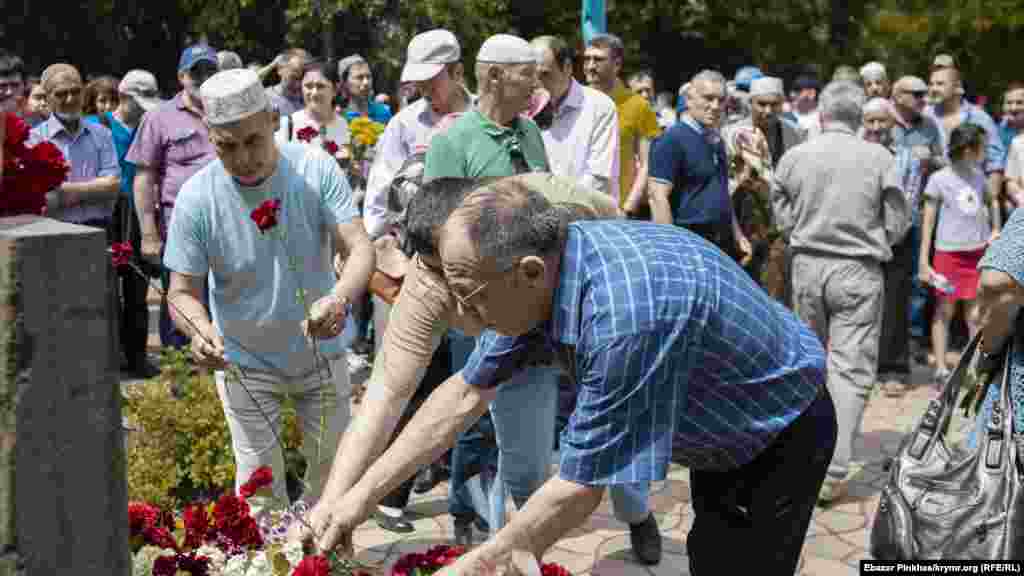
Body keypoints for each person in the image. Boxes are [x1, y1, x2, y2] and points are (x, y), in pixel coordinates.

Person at [303, 179, 835, 576]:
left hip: (777, 426)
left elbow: (582, 484)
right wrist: (356, 499)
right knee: (712, 553)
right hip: (713, 424)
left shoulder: (626, 318)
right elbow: (463, 394)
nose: (464, 312)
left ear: (530, 271)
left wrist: (480, 562)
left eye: (470, 293)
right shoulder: (531, 279)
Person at [163, 68, 374, 509]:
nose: (243, 158)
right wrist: (200, 330)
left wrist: (339, 299)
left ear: (272, 121)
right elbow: (181, 293)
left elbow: (359, 249)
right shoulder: (197, 198)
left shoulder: (314, 169)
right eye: (227, 147)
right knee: (259, 492)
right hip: (245, 360)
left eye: (253, 141)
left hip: (320, 352)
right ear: (209, 136)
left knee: (333, 483)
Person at [774, 80, 910, 503]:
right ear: (857, 117)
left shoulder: (796, 155)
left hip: (809, 265)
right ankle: (832, 470)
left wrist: (797, 231)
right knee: (850, 369)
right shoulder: (879, 157)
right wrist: (879, 240)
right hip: (858, 268)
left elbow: (780, 208)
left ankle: (799, 457)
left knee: (808, 361)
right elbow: (898, 217)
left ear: (824, 114)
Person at [126, 43, 220, 350]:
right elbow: (143, 178)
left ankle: (223, 375)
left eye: (210, 71)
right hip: (179, 224)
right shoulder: (159, 118)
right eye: (197, 72)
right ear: (181, 76)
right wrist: (149, 233)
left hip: (227, 221)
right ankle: (181, 375)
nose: (204, 78)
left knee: (226, 300)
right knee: (182, 299)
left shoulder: (228, 112)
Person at [86, 69, 163, 379]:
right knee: (104, 291)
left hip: (140, 214)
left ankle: (137, 356)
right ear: (125, 96)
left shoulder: (150, 125)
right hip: (107, 214)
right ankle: (107, 357)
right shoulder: (97, 126)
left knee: (137, 291)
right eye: (139, 101)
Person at [918, 123, 1001, 385]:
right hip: (948, 255)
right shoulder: (939, 179)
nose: (985, 152)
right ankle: (942, 367)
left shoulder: (979, 176)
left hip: (977, 253)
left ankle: (977, 366)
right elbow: (928, 223)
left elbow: (992, 200)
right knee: (944, 310)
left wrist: (996, 228)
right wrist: (924, 260)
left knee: (975, 312)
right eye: (981, 147)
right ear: (967, 149)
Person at [649, 70, 750, 262]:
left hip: (720, 244)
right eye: (708, 98)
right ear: (689, 99)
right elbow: (657, 196)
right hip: (688, 244)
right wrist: (671, 250)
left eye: (721, 100)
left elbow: (722, 192)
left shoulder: (716, 141)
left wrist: (738, 235)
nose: (715, 106)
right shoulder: (672, 139)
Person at [30, 63, 120, 227]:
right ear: (47, 98)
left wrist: (63, 193)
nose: (70, 99)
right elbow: (43, 197)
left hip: (98, 228)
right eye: (61, 94)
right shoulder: (35, 139)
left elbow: (112, 187)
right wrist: (97, 188)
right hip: (51, 230)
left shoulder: (102, 134)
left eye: (75, 92)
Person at [529, 35, 618, 196]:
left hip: (588, 215)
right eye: (531, 75)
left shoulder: (600, 107)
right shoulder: (524, 108)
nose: (536, 83)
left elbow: (598, 178)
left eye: (544, 74)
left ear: (567, 67)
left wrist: (557, 206)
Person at [583, 33, 660, 217]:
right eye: (587, 59)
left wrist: (628, 206)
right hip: (579, 207)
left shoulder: (639, 106)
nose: (590, 66)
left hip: (619, 210)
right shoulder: (575, 102)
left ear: (617, 64)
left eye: (598, 60)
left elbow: (647, 163)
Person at [275, 59, 351, 164]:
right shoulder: (286, 125)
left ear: (335, 89)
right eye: (308, 86)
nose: (314, 93)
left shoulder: (346, 125)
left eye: (320, 86)